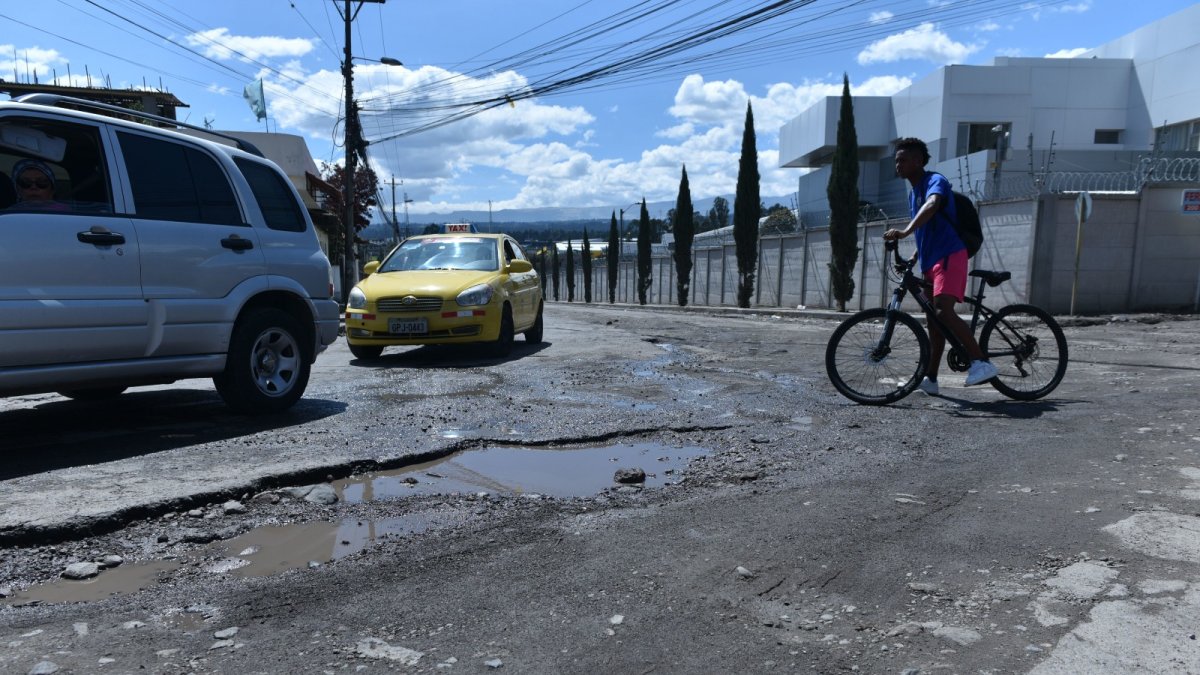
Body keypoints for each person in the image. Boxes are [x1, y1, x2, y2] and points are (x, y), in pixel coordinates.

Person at [883, 137, 997, 394]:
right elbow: (926, 231)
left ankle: (981, 362)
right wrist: (912, 258)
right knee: (934, 324)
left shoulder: (936, 181)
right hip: (930, 262)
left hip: (949, 255)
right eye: (896, 161)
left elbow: (933, 205)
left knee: (944, 311)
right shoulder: (913, 195)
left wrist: (904, 231)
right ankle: (931, 379)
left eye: (902, 160)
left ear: (918, 161)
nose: (898, 165)